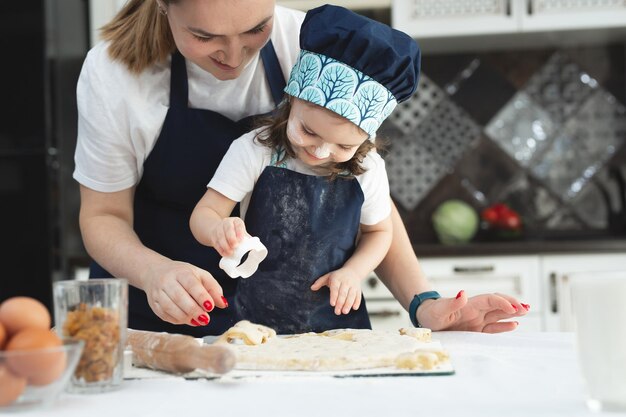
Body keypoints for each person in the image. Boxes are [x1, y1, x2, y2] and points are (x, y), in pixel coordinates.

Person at [74, 0, 528, 337]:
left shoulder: (310, 45)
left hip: (303, 327)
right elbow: (103, 216)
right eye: (205, 36)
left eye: (255, 29)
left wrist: (424, 304)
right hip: (166, 321)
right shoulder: (114, 73)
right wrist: (155, 274)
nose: (233, 56)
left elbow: (369, 207)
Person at [189, 4, 414, 333]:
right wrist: (217, 231)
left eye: (344, 146)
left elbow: (380, 233)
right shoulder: (255, 150)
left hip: (341, 330)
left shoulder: (367, 167)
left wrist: (353, 272)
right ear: (291, 102)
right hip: (254, 323)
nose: (321, 151)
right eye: (309, 132)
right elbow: (204, 215)